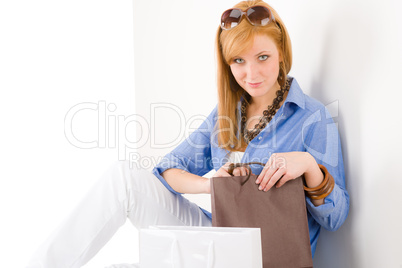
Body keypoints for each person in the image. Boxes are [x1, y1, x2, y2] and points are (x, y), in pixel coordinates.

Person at [27, 0, 349, 267]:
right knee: (124, 180)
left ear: (281, 51)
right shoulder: (225, 116)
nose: (251, 74)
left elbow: (336, 217)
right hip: (218, 235)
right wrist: (211, 185)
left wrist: (308, 166)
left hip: (264, 256)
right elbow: (167, 171)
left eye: (262, 57)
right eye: (238, 61)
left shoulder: (312, 118)